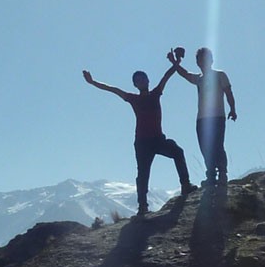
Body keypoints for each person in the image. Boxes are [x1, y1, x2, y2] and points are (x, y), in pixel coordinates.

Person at [83, 58, 199, 216]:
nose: (141, 81)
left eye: (143, 78)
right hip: (142, 143)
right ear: (135, 85)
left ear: (148, 81)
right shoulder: (133, 98)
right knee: (143, 173)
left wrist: (176, 62)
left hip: (158, 139)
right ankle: (142, 206)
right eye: (138, 80)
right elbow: (113, 89)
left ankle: (185, 185)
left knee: (177, 151)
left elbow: (167, 76)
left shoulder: (156, 93)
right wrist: (93, 82)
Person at [170, 47, 236, 186]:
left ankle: (222, 173)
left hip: (217, 117)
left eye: (205, 59)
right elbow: (185, 74)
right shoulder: (199, 79)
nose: (202, 62)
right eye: (199, 59)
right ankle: (211, 175)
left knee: (217, 145)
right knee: (205, 147)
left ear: (211, 60)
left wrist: (232, 109)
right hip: (202, 119)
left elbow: (228, 92)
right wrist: (174, 62)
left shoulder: (220, 75)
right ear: (197, 62)